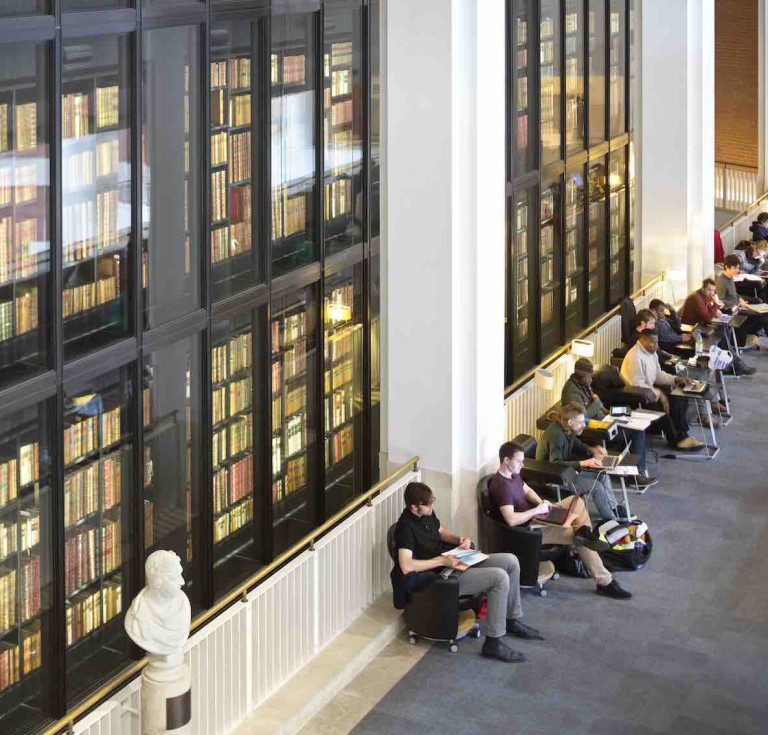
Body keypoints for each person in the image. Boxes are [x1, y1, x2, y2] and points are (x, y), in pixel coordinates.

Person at [394, 481, 543, 663]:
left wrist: (459, 540)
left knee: (511, 562)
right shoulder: (405, 528)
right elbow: (406, 565)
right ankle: (493, 643)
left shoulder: (427, 514)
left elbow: (441, 532)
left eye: (433, 501)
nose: (433, 506)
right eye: (429, 504)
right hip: (439, 577)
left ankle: (511, 620)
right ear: (414, 507)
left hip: (451, 561)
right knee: (499, 578)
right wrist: (441, 561)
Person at [489, 441, 632, 600]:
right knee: (580, 536)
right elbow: (511, 520)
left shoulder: (512, 474)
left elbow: (527, 490)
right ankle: (604, 580)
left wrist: (541, 502)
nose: (523, 464)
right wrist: (536, 510)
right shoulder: (501, 487)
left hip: (536, 516)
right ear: (506, 461)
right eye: (519, 461)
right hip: (529, 530)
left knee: (576, 502)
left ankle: (586, 542)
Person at [561, 357, 657, 488]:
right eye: (589, 376)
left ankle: (630, 468)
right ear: (581, 375)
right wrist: (597, 403)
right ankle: (636, 476)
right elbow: (582, 418)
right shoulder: (572, 393)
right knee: (637, 432)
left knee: (629, 413)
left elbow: (601, 408)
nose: (591, 379)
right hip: (595, 430)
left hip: (604, 418)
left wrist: (614, 412)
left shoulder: (583, 385)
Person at [535, 402, 623, 521]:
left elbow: (576, 444)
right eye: (581, 422)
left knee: (603, 475)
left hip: (567, 471)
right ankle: (612, 521)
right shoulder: (556, 435)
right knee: (596, 487)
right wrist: (584, 463)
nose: (584, 425)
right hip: (554, 478)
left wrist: (592, 450)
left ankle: (613, 508)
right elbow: (554, 465)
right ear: (571, 422)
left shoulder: (566, 427)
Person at [620, 330, 704, 451]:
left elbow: (658, 374)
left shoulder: (651, 352)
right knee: (663, 410)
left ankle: (683, 435)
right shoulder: (635, 357)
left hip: (649, 391)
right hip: (637, 396)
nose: (656, 346)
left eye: (657, 342)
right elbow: (637, 385)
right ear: (642, 341)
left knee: (676, 398)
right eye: (652, 343)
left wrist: (676, 379)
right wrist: (659, 394)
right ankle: (675, 440)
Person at [681, 278, 756, 375]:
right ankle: (735, 365)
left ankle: (732, 364)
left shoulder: (704, 296)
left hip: (701, 325)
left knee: (724, 332)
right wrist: (715, 304)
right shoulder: (697, 298)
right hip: (693, 329)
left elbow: (712, 313)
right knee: (723, 336)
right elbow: (707, 317)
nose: (712, 293)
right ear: (703, 288)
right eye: (709, 290)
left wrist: (715, 306)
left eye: (713, 290)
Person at [716, 254, 768, 344]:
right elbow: (721, 301)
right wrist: (738, 303)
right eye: (736, 268)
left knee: (758, 302)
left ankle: (752, 332)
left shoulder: (730, 277)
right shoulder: (721, 281)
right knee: (762, 317)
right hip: (734, 309)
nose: (738, 270)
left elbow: (734, 293)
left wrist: (740, 299)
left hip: (737, 303)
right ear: (728, 267)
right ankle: (750, 331)